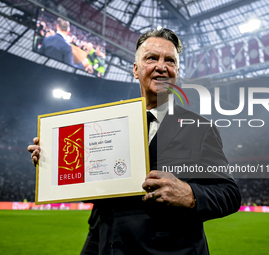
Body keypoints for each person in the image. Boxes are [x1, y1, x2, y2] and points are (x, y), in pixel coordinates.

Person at [28, 28, 241, 254]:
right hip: (104, 243)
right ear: (136, 70)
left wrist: (190, 195)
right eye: (152, 58)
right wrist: (54, 161)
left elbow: (229, 193)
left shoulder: (199, 128)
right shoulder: (108, 122)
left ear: (177, 71)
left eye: (170, 60)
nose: (162, 66)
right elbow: (96, 184)